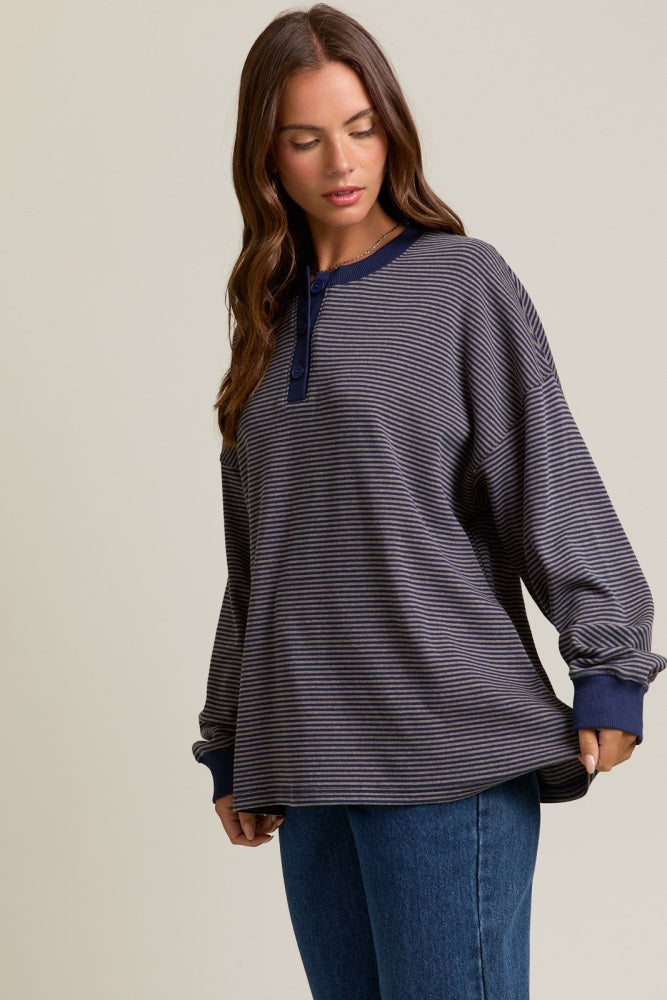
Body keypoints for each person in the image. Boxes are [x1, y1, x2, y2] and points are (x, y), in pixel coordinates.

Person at [191, 5, 666, 998]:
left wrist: (609, 666)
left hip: (445, 751)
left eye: (360, 127)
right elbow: (258, 560)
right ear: (265, 154)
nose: (341, 161)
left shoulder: (458, 282)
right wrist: (231, 734)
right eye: (305, 138)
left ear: (391, 127)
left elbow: (547, 472)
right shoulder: (264, 322)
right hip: (309, 762)